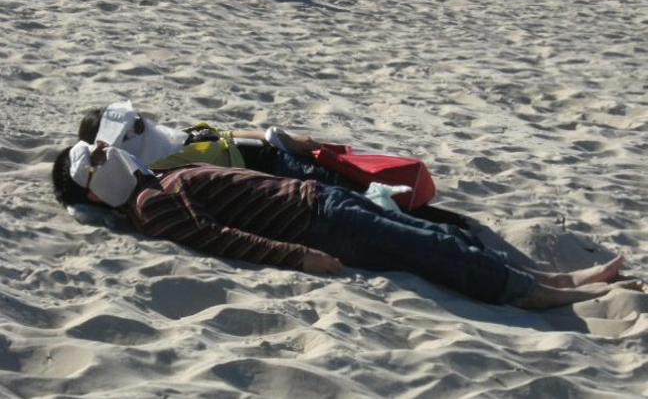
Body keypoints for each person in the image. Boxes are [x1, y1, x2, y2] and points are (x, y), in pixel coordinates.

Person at [51, 141, 646, 309]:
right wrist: (296, 256)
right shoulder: (150, 205)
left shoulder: (154, 179)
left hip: (320, 201)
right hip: (317, 226)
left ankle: (554, 279)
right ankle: (539, 295)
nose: (111, 153)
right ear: (94, 191)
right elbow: (215, 237)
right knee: (435, 252)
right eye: (98, 160)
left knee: (439, 237)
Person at [76, 101, 470, 228]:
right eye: (134, 124)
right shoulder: (156, 169)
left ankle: (441, 220)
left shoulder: (169, 141)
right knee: (366, 199)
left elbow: (226, 136)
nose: (143, 121)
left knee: (367, 182)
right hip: (280, 177)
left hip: (280, 156)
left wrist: (280, 137)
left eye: (138, 118)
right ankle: (446, 226)